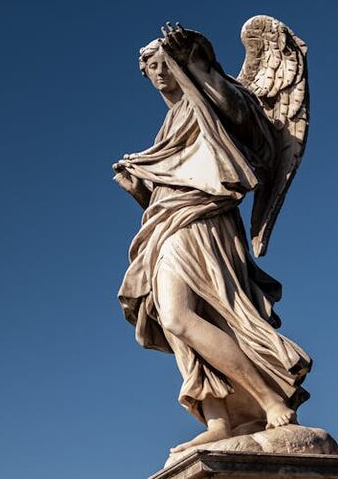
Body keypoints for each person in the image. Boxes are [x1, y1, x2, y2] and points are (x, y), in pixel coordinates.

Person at [113, 25, 311, 453]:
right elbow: (179, 180)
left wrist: (201, 68)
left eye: (164, 61)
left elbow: (242, 121)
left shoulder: (211, 98)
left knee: (183, 315)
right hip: (166, 223)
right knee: (180, 320)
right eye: (149, 65)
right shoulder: (169, 124)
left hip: (203, 221)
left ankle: (270, 398)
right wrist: (140, 192)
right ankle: (219, 419)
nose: (157, 70)